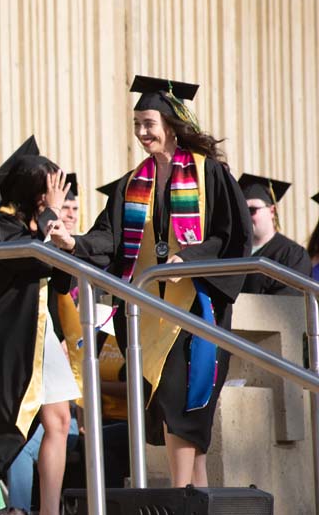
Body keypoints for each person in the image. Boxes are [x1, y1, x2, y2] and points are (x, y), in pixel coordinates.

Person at [50, 75, 251, 488]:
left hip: (194, 307)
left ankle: (182, 501)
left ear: (172, 124)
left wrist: (189, 258)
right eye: (137, 124)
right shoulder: (131, 183)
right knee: (172, 407)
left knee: (185, 402)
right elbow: (111, 239)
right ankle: (197, 502)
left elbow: (230, 236)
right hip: (144, 312)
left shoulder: (209, 174)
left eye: (148, 123)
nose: (142, 133)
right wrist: (75, 242)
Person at [0, 148, 78, 515]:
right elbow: (32, 259)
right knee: (8, 426)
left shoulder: (37, 225)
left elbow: (60, 280)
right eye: (49, 187)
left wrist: (61, 234)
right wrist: (52, 218)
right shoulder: (2, 225)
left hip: (42, 333)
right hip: (9, 340)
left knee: (59, 421)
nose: (56, 195)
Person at [237, 174, 312, 294]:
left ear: (272, 211)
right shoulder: (232, 252)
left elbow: (287, 304)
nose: (246, 217)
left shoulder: (292, 255)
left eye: (252, 210)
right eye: (242, 212)